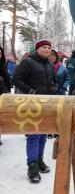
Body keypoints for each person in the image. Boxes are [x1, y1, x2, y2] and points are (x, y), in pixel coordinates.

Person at [12, 39, 57, 183]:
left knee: (43, 134)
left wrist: (55, 88)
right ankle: (32, 166)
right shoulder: (28, 62)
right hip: (32, 104)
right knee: (34, 135)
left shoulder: (50, 64)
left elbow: (53, 81)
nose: (47, 49)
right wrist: (30, 90)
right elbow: (16, 79)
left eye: (49, 47)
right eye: (44, 47)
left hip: (47, 103)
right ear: (37, 49)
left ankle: (39, 160)